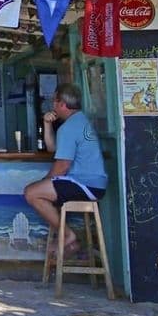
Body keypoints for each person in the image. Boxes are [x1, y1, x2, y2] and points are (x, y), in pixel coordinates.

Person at [23, 83, 108, 257]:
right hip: (94, 184)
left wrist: (45, 181)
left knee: (31, 193)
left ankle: (68, 235)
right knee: (37, 191)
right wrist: (47, 124)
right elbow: (53, 149)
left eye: (54, 102)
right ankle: (68, 238)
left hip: (84, 184)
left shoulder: (68, 128)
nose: (52, 106)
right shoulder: (80, 121)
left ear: (62, 104)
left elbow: (62, 165)